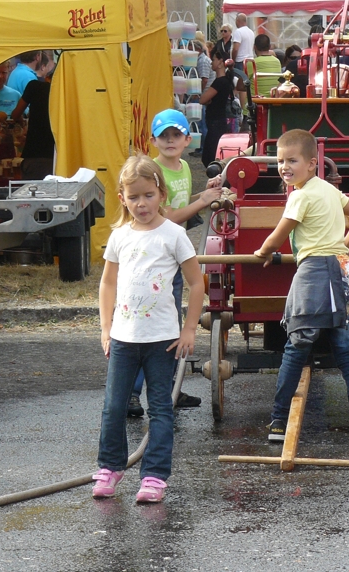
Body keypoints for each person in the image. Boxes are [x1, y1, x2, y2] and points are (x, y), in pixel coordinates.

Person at [251, 129, 349, 445]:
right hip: (342, 270)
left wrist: (262, 252)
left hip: (314, 273)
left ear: (311, 163)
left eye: (292, 161)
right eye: (280, 161)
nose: (284, 167)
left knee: (296, 348)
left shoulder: (300, 195)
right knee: (345, 351)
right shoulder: (329, 189)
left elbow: (278, 236)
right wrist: (344, 245)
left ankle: (278, 422)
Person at [93, 156, 204, 503]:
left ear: (161, 194)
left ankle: (154, 476)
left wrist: (189, 329)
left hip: (163, 341)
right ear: (122, 198)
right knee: (114, 407)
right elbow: (107, 283)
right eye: (134, 197)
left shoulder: (174, 235)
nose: (141, 203)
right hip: (124, 340)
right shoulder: (119, 237)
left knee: (160, 408)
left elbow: (196, 283)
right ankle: (110, 468)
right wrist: (106, 328)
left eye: (148, 195)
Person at [126, 110, 222, 417]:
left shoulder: (183, 167)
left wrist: (206, 193)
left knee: (168, 323)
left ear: (187, 140)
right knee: (146, 325)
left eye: (176, 135)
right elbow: (165, 215)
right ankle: (132, 393)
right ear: (153, 141)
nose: (170, 141)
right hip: (154, 255)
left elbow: (181, 204)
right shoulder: (153, 173)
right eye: (163, 136)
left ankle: (169, 389)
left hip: (171, 253)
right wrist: (202, 202)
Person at [12, 51, 56, 180]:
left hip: (34, 153)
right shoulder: (63, 92)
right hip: (56, 154)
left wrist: (22, 123)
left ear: (47, 77)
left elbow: (15, 114)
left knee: (31, 189)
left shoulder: (34, 86)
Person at [200, 49, 245, 168]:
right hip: (219, 120)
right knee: (211, 153)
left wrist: (209, 100)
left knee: (210, 155)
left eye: (214, 59)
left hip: (216, 120)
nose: (211, 62)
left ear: (220, 62)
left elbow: (202, 99)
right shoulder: (226, 81)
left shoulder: (219, 82)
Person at [230, 14, 255, 109]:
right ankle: (246, 105)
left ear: (238, 21)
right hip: (250, 60)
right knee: (246, 84)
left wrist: (233, 60)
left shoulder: (238, 32)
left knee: (240, 86)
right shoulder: (251, 32)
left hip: (240, 61)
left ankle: (241, 107)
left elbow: (236, 48)